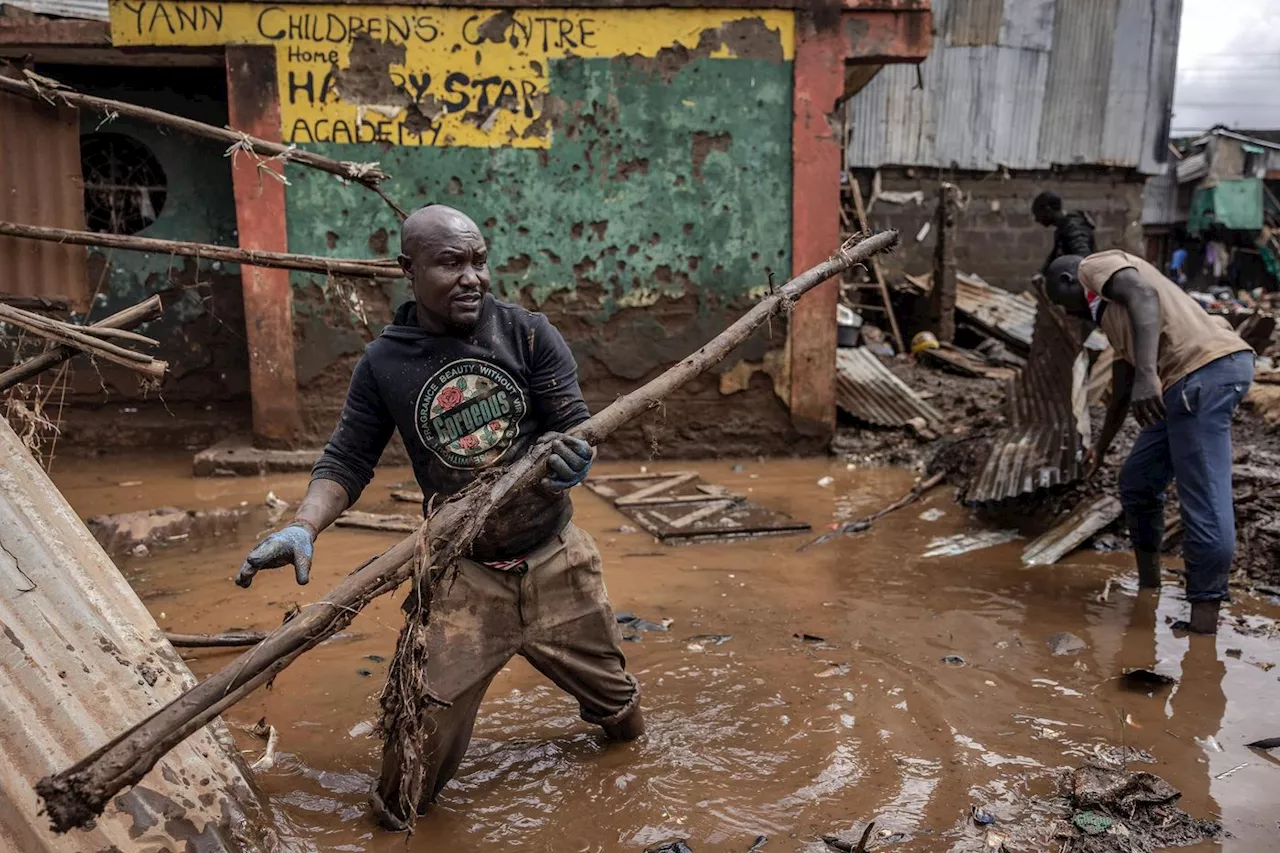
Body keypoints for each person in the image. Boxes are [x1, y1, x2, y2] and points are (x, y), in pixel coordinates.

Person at [234, 204, 644, 828]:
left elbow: (576, 427)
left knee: (622, 722)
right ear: (409, 270)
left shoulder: (528, 333)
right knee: (408, 776)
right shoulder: (385, 364)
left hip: (556, 557)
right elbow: (346, 460)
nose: (472, 277)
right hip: (464, 576)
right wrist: (304, 525)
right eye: (451, 263)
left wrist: (576, 459)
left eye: (479, 260)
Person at [1044, 250, 1254, 634]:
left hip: (1202, 372)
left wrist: (1147, 375)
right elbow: (1122, 389)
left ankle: (1204, 624)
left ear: (1066, 281)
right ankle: (1149, 586)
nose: (1069, 315)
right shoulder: (1113, 318)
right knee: (1138, 481)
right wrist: (1101, 447)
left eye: (1063, 304)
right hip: (1182, 384)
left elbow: (1144, 294)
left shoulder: (1094, 266)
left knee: (1204, 501)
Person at [1032, 191, 1096, 275]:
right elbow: (1055, 256)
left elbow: (1083, 258)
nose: (1037, 220)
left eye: (1038, 214)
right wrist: (1042, 273)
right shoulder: (1062, 228)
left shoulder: (1073, 227)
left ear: (1048, 209)